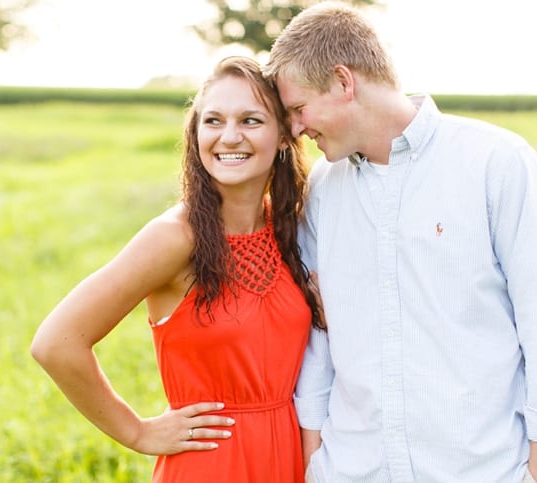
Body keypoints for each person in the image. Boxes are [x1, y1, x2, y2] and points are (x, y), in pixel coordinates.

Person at [263, 2, 537, 482]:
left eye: (297, 108)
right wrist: (315, 463)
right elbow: (318, 342)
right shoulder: (324, 192)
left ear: (343, 81)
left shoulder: (498, 164)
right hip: (352, 472)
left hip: (479, 471)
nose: (294, 129)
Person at [30, 56, 324, 483]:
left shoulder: (290, 225)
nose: (229, 136)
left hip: (287, 458)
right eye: (213, 121)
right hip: (211, 463)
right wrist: (138, 431)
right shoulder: (175, 237)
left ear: (283, 135)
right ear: (196, 133)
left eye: (250, 120)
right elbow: (56, 342)